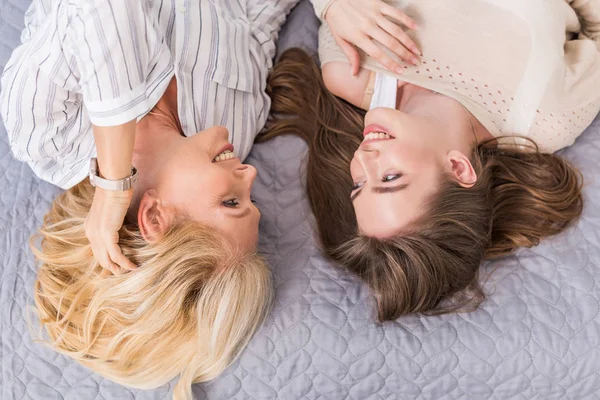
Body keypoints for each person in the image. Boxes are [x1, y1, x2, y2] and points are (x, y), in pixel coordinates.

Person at [0, 0, 302, 398]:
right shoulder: (235, 129)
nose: (249, 174)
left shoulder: (47, 134)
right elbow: (257, 19)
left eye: (231, 202)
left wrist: (114, 180)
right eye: (250, 200)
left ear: (155, 217)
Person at [262, 0, 599, 321]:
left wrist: (333, 6)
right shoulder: (544, 116)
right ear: (458, 168)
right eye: (390, 178)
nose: (364, 160)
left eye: (359, 185)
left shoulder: (351, 72)